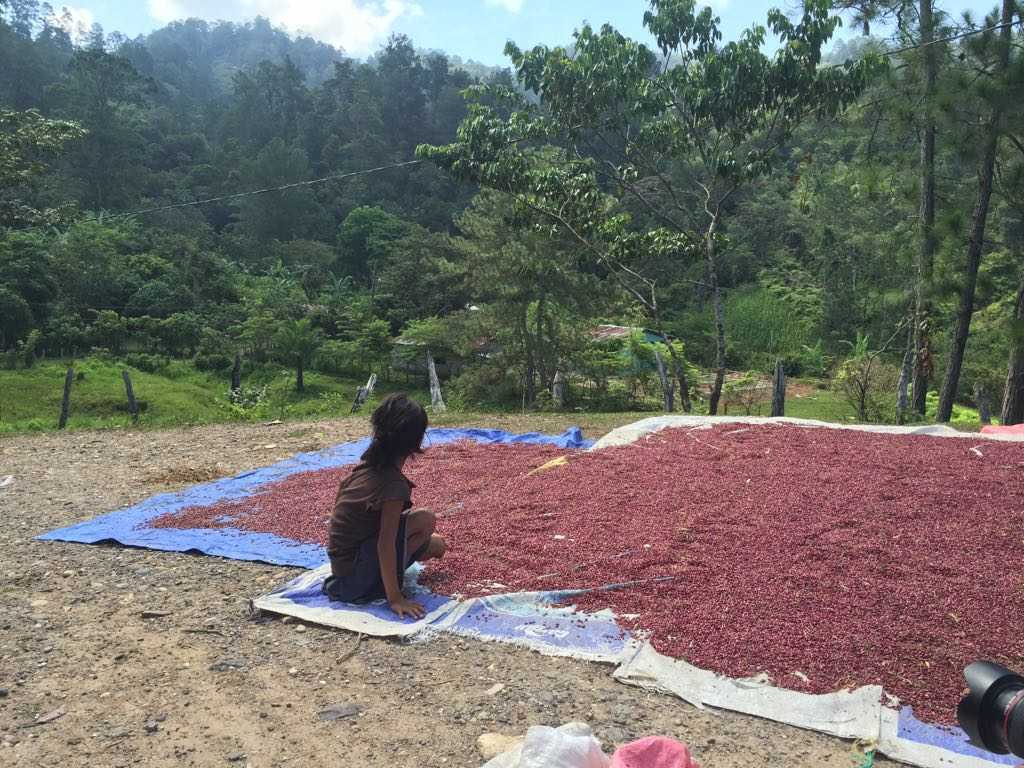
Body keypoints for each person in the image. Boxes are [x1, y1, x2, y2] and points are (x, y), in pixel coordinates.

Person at [323, 393, 447, 618]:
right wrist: (396, 598)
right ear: (417, 441)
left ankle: (383, 577)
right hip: (354, 583)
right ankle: (383, 585)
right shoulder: (393, 486)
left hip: (343, 569)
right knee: (425, 520)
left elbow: (339, 513)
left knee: (436, 544)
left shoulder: (364, 469)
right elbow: (385, 543)